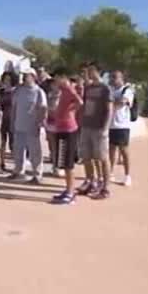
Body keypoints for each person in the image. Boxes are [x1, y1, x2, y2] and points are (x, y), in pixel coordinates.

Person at [76, 62, 114, 199]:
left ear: (99, 72)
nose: (89, 73)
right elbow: (85, 105)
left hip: (99, 128)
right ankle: (90, 182)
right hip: (86, 126)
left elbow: (110, 110)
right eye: (88, 70)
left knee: (103, 158)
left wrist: (105, 128)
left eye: (92, 70)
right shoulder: (89, 88)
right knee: (86, 157)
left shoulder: (106, 89)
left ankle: (105, 188)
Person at [50, 68, 83, 205]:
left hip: (69, 130)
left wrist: (70, 111)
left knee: (68, 164)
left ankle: (71, 193)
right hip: (61, 129)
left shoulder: (69, 89)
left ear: (63, 77)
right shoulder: (62, 91)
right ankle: (67, 190)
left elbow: (80, 102)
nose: (55, 81)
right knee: (63, 161)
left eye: (57, 78)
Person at [9, 67, 48, 184]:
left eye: (27, 75)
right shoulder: (18, 90)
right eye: (24, 75)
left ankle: (37, 174)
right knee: (18, 150)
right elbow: (14, 107)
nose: (25, 77)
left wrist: (40, 123)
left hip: (32, 126)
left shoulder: (39, 92)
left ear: (33, 76)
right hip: (19, 125)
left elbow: (43, 108)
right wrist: (12, 121)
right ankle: (18, 171)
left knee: (35, 152)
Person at [108, 70, 134, 187]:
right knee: (111, 150)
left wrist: (111, 103)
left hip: (122, 125)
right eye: (111, 77)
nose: (112, 79)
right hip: (111, 125)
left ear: (121, 78)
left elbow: (122, 102)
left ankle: (127, 175)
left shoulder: (127, 90)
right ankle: (110, 173)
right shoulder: (111, 90)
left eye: (115, 77)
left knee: (124, 151)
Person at [0, 71, 17, 170]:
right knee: (2, 141)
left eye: (9, 79)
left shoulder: (16, 91)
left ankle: (16, 165)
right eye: (5, 79)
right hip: (3, 118)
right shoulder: (2, 91)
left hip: (13, 118)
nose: (7, 81)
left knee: (13, 143)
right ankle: (2, 163)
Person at [44, 78, 61, 174]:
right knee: (52, 145)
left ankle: (59, 166)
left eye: (55, 83)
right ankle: (55, 165)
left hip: (60, 122)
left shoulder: (62, 94)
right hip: (50, 122)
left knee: (60, 144)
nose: (53, 86)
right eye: (52, 84)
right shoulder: (49, 95)